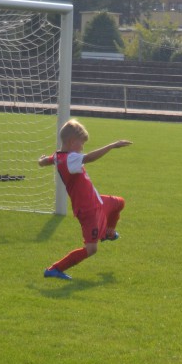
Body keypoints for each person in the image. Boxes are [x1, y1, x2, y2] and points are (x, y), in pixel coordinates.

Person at [39, 119, 131, 280]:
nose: (82, 148)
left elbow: (48, 160)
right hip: (88, 210)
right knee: (91, 249)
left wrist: (41, 161)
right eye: (81, 144)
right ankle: (54, 269)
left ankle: (108, 233)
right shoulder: (70, 158)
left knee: (119, 203)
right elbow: (89, 158)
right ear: (72, 142)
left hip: (96, 201)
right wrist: (112, 145)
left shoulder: (59, 156)